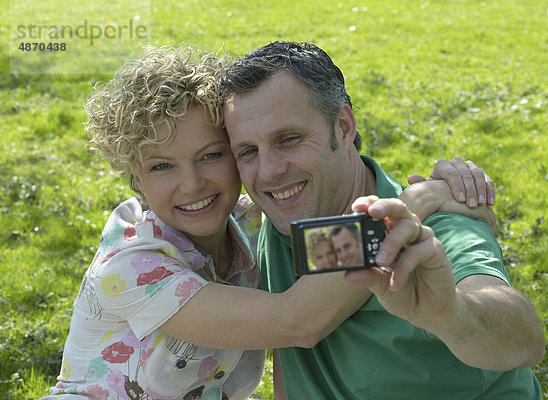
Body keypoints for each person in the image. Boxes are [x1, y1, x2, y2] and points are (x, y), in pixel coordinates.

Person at [42, 45, 497, 400]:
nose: (192, 184)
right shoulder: (133, 268)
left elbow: (329, 253)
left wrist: (455, 196)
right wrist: (412, 206)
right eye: (162, 167)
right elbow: (297, 320)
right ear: (134, 180)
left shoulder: (249, 222)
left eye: (211, 156)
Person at [220, 41, 545, 399]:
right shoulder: (270, 223)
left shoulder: (436, 225)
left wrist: (452, 315)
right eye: (248, 151)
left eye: (289, 139)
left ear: (343, 127)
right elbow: (297, 328)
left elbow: (524, 339)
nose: (269, 172)